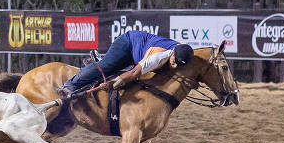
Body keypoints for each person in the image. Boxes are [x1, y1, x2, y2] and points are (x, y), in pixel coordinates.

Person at [62, 30, 194, 98]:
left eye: (179, 64)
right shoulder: (158, 56)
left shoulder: (182, 52)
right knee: (106, 67)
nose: (175, 66)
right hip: (128, 43)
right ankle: (70, 84)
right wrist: (111, 84)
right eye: (174, 61)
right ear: (173, 53)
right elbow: (134, 73)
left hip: (139, 51)